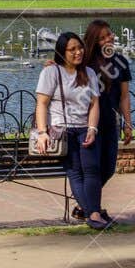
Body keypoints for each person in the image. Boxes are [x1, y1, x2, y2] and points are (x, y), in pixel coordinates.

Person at [33, 31, 104, 230]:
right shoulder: (51, 72)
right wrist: (42, 132)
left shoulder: (88, 73)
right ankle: (94, 214)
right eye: (72, 49)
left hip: (84, 128)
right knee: (75, 172)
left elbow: (94, 104)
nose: (78, 52)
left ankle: (92, 213)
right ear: (62, 52)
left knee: (92, 171)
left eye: (79, 48)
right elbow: (42, 104)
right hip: (62, 130)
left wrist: (92, 128)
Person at [80, 19, 132, 224]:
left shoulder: (120, 61)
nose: (109, 38)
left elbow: (124, 96)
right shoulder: (84, 62)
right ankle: (93, 210)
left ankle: (85, 205)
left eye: (109, 34)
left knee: (108, 168)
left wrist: (128, 123)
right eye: (102, 37)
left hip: (110, 121)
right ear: (94, 41)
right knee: (92, 169)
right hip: (87, 123)